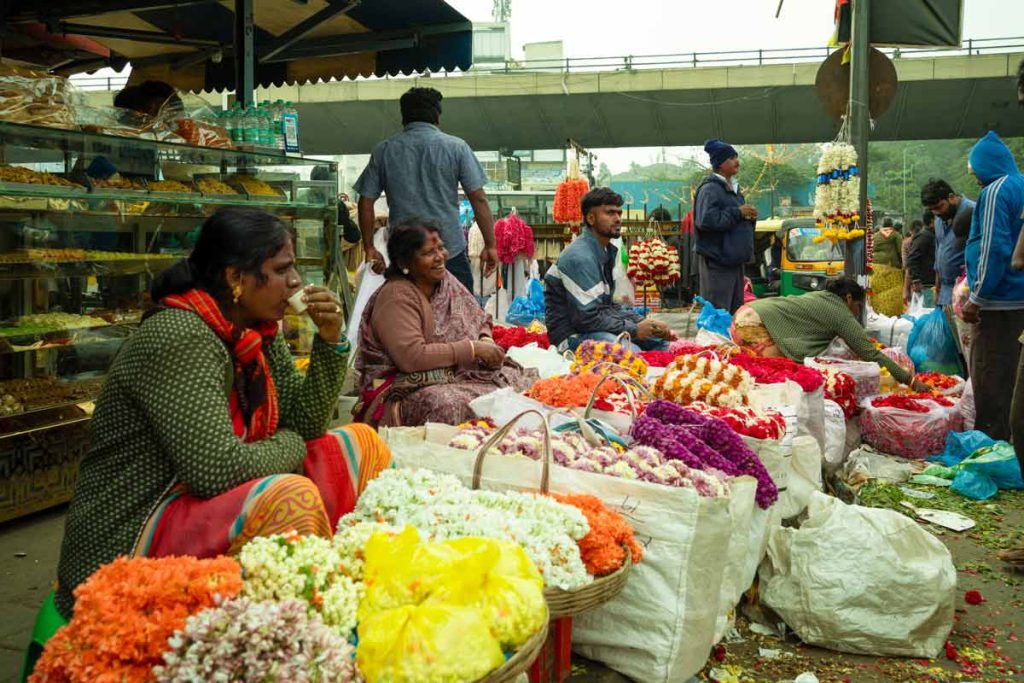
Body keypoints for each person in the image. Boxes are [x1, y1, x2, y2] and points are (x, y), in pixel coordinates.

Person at [54, 207, 392, 619]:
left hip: (199, 499)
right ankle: (305, 626)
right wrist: (287, 444)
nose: (296, 282)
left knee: (361, 443)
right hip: (135, 527)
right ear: (235, 279)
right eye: (283, 269)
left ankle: (346, 583)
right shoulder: (182, 335)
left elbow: (306, 424)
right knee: (290, 497)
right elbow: (215, 469)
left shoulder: (257, 332)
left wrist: (330, 341)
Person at [355, 218, 535, 427]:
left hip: (457, 374)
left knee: (520, 384)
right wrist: (472, 349)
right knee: (447, 405)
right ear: (405, 263)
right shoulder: (396, 296)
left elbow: (479, 318)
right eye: (428, 253)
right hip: (401, 386)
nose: (440, 257)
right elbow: (411, 358)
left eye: (441, 248)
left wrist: (485, 338)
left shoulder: (445, 280)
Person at [354, 86, 498, 293]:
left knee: (405, 315)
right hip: (448, 252)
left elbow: (365, 200)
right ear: (437, 116)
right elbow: (478, 199)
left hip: (405, 257)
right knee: (459, 319)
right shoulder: (457, 148)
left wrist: (369, 247)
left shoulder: (384, 150)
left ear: (404, 117)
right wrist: (491, 245)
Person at [731, 276, 921, 387]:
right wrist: (910, 380)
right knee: (770, 374)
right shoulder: (840, 312)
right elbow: (869, 353)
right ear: (847, 298)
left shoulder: (822, 297)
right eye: (858, 306)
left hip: (745, 313)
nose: (857, 312)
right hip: (752, 325)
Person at [544, 187, 671, 352]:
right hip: (570, 337)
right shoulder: (580, 257)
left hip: (592, 329)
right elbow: (587, 318)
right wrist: (634, 329)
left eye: (619, 213)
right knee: (629, 352)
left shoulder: (604, 251)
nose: (617, 218)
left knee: (661, 344)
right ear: (591, 218)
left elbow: (608, 307)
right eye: (610, 213)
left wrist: (645, 323)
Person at [961, 130, 1024, 444]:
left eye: (975, 172)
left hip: (999, 304)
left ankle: (991, 447)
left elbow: (993, 247)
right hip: (1017, 301)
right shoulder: (1021, 184)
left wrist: (977, 297)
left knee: (991, 377)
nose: (976, 180)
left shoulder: (997, 191)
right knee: (1014, 379)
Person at [693, 139, 757, 313]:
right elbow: (706, 220)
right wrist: (738, 213)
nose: (737, 161)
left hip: (734, 263)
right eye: (731, 158)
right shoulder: (710, 189)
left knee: (735, 314)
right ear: (720, 164)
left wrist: (748, 217)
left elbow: (732, 219)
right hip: (718, 263)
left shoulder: (734, 190)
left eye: (736, 157)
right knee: (718, 313)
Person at [921, 178, 975, 306]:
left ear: (951, 197)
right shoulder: (939, 219)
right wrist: (938, 289)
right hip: (945, 291)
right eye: (932, 209)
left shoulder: (973, 212)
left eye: (939, 207)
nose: (937, 212)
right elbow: (939, 254)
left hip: (966, 290)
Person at [906, 217, 936, 307]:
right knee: (927, 311)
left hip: (931, 281)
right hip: (926, 283)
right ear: (932, 221)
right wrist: (916, 280)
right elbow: (912, 259)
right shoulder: (924, 237)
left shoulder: (932, 235)